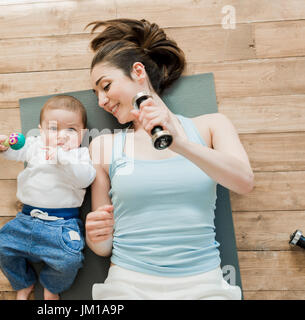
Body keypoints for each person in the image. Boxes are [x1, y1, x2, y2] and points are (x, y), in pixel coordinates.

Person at [85, 18, 254, 299]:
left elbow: (244, 182)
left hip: (204, 284)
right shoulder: (103, 146)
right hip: (128, 283)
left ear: (138, 72)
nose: (101, 101)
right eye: (96, 94)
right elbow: (103, 248)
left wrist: (181, 144)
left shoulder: (211, 126)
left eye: (105, 86)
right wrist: (96, 234)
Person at [0, 95, 96, 300]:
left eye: (71, 130)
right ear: (41, 131)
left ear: (82, 133)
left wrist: (63, 159)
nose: (62, 136)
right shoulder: (36, 146)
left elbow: (86, 178)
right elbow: (17, 152)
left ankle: (51, 286)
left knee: (70, 261)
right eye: (54, 129)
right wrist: (3, 147)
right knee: (2, 248)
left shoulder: (80, 155)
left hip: (62, 225)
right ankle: (23, 282)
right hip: (25, 219)